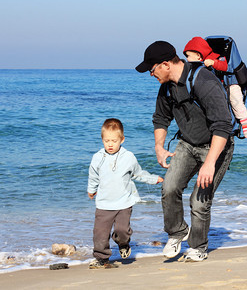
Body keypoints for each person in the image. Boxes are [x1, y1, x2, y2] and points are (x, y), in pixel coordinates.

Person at [136, 41, 235, 262]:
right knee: (169, 187)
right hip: (187, 144)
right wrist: (159, 148)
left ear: (165, 64)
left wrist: (209, 163)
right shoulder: (166, 88)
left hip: (215, 147)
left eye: (152, 70)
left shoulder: (204, 81)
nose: (151, 74)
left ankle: (198, 246)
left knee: (199, 201)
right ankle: (178, 232)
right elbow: (161, 118)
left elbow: (223, 126)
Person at [87, 118, 163, 269]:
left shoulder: (128, 157)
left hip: (124, 202)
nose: (110, 144)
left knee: (122, 231)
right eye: (106, 140)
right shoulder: (97, 158)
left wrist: (153, 179)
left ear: (122, 139)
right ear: (102, 139)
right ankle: (101, 258)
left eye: (114, 141)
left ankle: (123, 244)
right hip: (104, 204)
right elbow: (93, 175)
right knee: (100, 234)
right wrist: (91, 189)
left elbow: (138, 173)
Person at [183, 36, 247, 138]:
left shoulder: (216, 57)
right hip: (217, 86)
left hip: (230, 84)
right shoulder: (199, 65)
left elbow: (226, 66)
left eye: (188, 56)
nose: (187, 59)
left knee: (236, 100)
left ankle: (245, 122)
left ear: (198, 55)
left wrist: (214, 63)